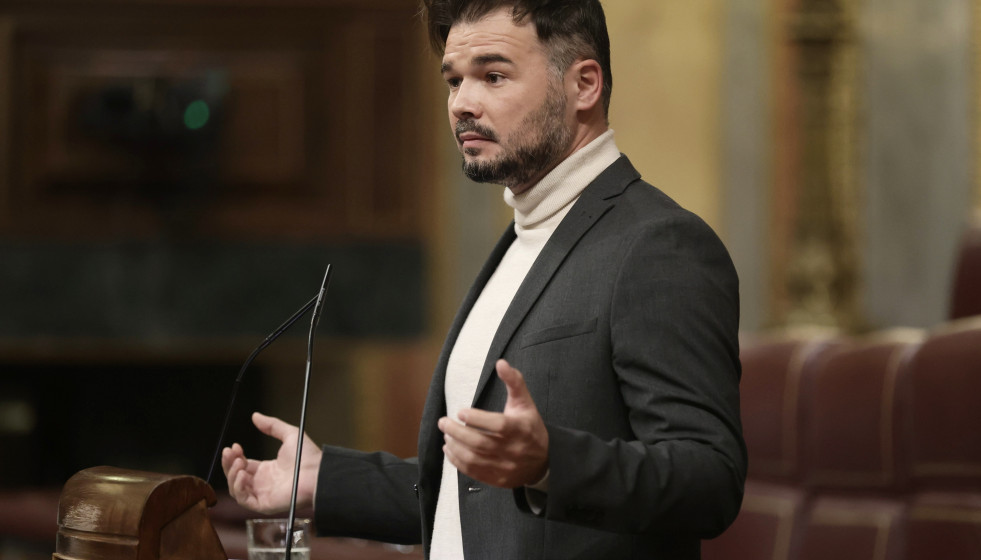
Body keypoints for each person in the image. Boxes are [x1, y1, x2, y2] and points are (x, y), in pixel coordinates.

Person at [222, 1, 746, 558]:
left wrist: (551, 464)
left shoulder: (657, 245)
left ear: (584, 85)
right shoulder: (521, 240)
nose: (462, 104)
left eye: (493, 76)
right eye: (454, 81)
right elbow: (472, 494)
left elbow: (709, 478)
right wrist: (323, 482)